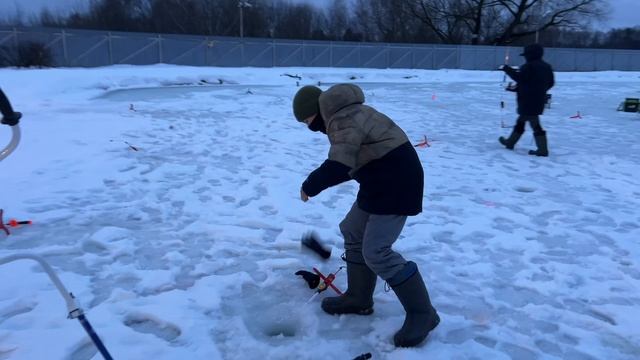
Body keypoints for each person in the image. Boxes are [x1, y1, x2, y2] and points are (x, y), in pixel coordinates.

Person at [292, 84, 439, 347]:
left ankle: (423, 313)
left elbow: (339, 165)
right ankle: (359, 298)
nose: (307, 126)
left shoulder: (342, 119)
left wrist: (309, 185)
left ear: (316, 111)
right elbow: (353, 159)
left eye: (306, 119)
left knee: (377, 251)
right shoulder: (345, 113)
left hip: (397, 184)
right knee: (352, 229)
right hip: (378, 182)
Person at [499, 43, 555, 156]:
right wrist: (539, 91)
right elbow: (550, 83)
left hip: (527, 101)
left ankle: (542, 149)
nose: (525, 57)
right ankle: (510, 142)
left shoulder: (528, 66)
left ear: (530, 55)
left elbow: (520, 78)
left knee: (534, 123)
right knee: (522, 121)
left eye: (526, 55)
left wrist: (507, 69)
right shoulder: (547, 66)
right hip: (538, 100)